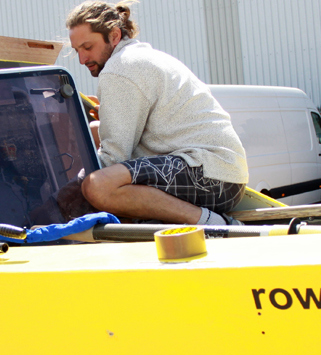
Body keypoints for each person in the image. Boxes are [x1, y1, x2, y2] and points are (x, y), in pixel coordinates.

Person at [66, 0, 248, 225]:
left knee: (97, 185)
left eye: (88, 47)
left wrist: (62, 189)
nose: (83, 59)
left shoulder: (119, 69)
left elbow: (113, 158)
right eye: (77, 51)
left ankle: (213, 224)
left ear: (113, 36)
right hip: (224, 174)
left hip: (207, 173)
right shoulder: (140, 56)